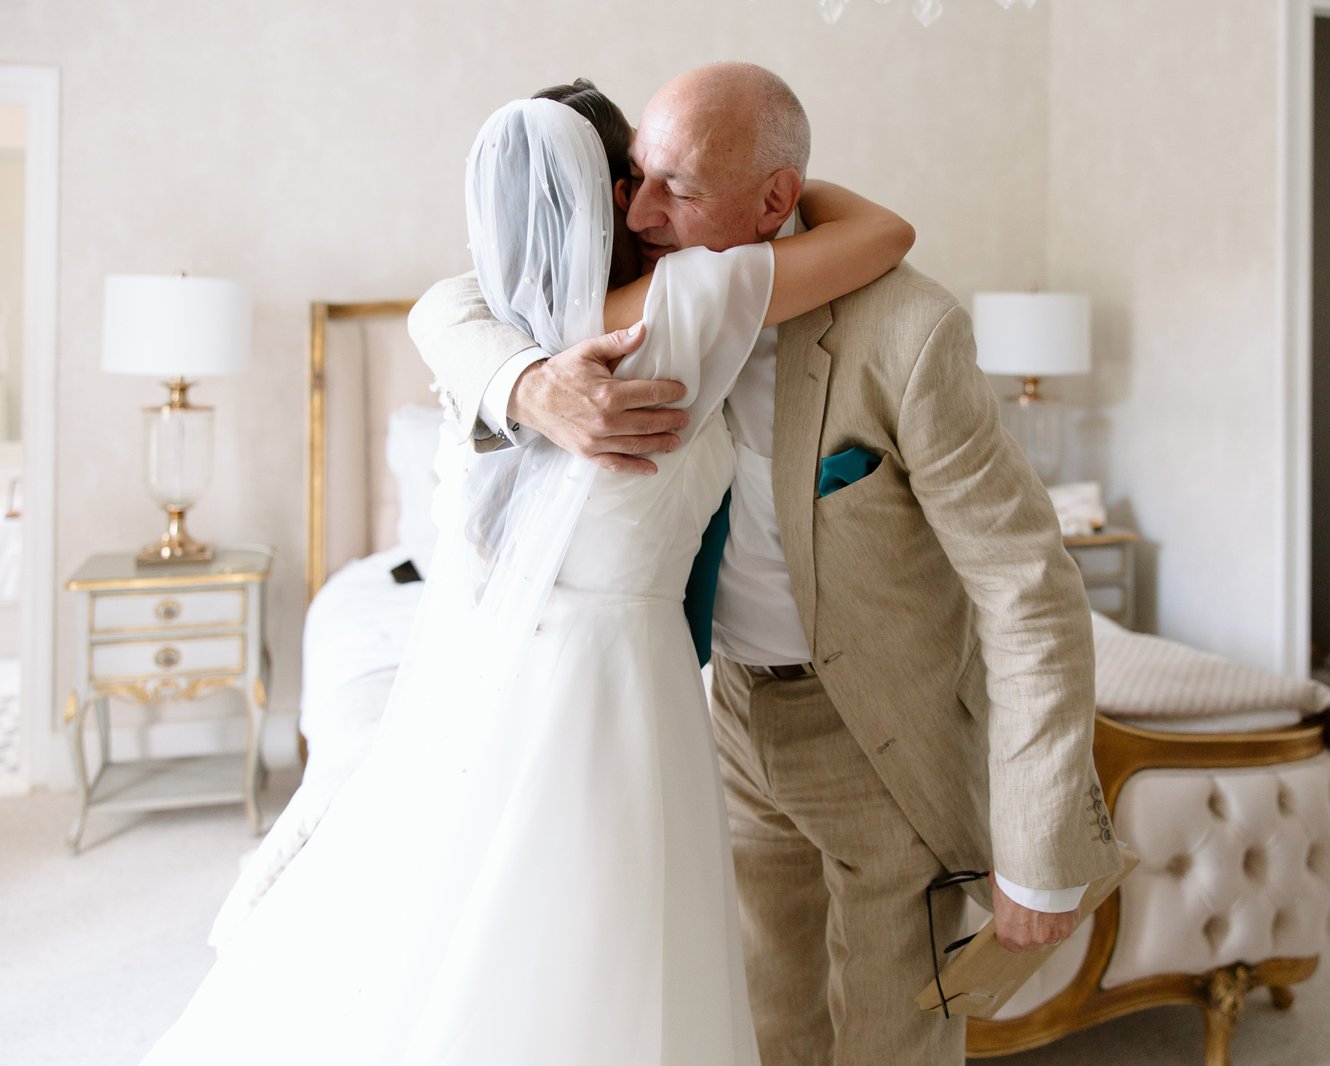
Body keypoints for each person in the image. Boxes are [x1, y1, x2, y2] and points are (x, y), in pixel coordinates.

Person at [141, 88, 913, 1066]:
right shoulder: (677, 310)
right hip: (619, 681)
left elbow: (444, 300)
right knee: (612, 940)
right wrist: (778, 194)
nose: (652, 208)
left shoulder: (498, 330)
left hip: (503, 671)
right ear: (610, 191)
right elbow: (885, 231)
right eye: (641, 179)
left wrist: (514, 373)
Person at [412, 62, 1122, 1066]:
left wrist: (1041, 845)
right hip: (723, 718)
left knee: (892, 1033)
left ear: (776, 201)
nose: (642, 211)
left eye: (679, 189)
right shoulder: (591, 316)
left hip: (879, 734)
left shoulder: (907, 332)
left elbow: (1026, 584)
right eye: (635, 177)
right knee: (761, 1018)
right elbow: (445, 303)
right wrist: (524, 385)